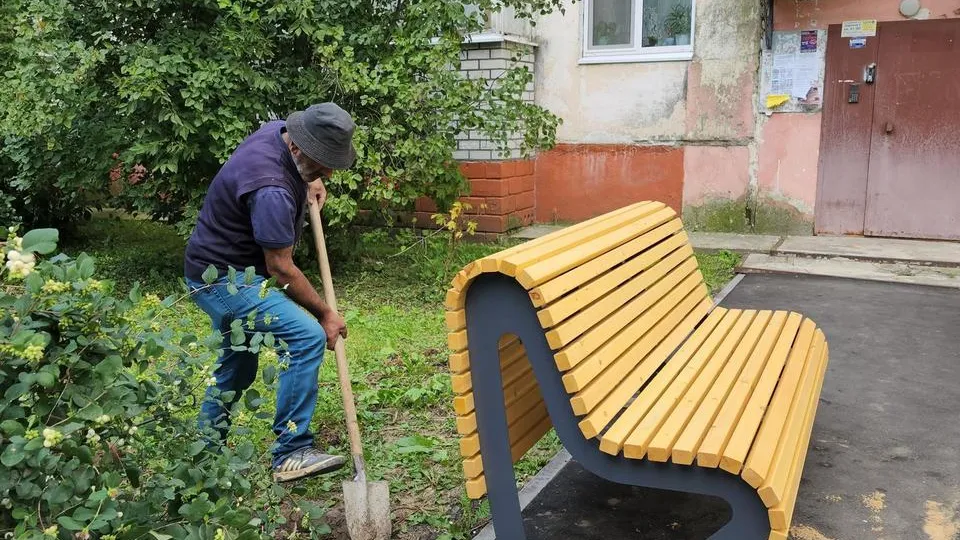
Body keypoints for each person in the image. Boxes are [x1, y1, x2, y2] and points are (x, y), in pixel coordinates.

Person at [184, 103, 355, 482]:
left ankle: (202, 455)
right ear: (298, 148)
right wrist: (326, 314)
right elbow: (280, 269)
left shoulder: (281, 132)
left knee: (237, 364)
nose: (328, 170)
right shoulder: (271, 188)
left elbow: (301, 166)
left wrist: (309, 178)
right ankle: (291, 452)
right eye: (322, 162)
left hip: (214, 268)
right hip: (224, 281)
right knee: (307, 336)